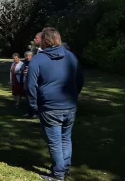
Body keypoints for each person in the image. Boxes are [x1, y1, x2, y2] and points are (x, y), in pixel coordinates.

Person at [27, 27, 85, 181]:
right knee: (66, 138)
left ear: (44, 41)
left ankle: (58, 174)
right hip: (69, 105)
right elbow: (80, 79)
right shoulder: (71, 56)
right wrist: (74, 95)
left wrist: (34, 105)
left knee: (55, 141)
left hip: (49, 107)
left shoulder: (38, 60)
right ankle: (64, 168)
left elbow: (31, 86)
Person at [22, 51, 36, 118]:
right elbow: (22, 70)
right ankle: (29, 112)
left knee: (33, 98)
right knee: (27, 98)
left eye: (28, 56)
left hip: (33, 83)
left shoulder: (34, 63)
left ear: (32, 56)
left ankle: (35, 113)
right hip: (26, 81)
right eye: (26, 56)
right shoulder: (25, 63)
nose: (27, 57)